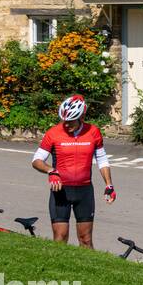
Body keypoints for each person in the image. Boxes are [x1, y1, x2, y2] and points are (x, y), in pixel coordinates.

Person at [31, 94, 115, 249]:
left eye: (70, 121)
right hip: (61, 191)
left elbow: (102, 160)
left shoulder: (93, 132)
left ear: (81, 117)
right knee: (60, 238)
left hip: (84, 192)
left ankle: (89, 272)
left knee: (86, 240)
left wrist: (109, 185)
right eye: (64, 120)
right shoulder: (54, 133)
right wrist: (51, 171)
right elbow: (36, 160)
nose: (66, 124)